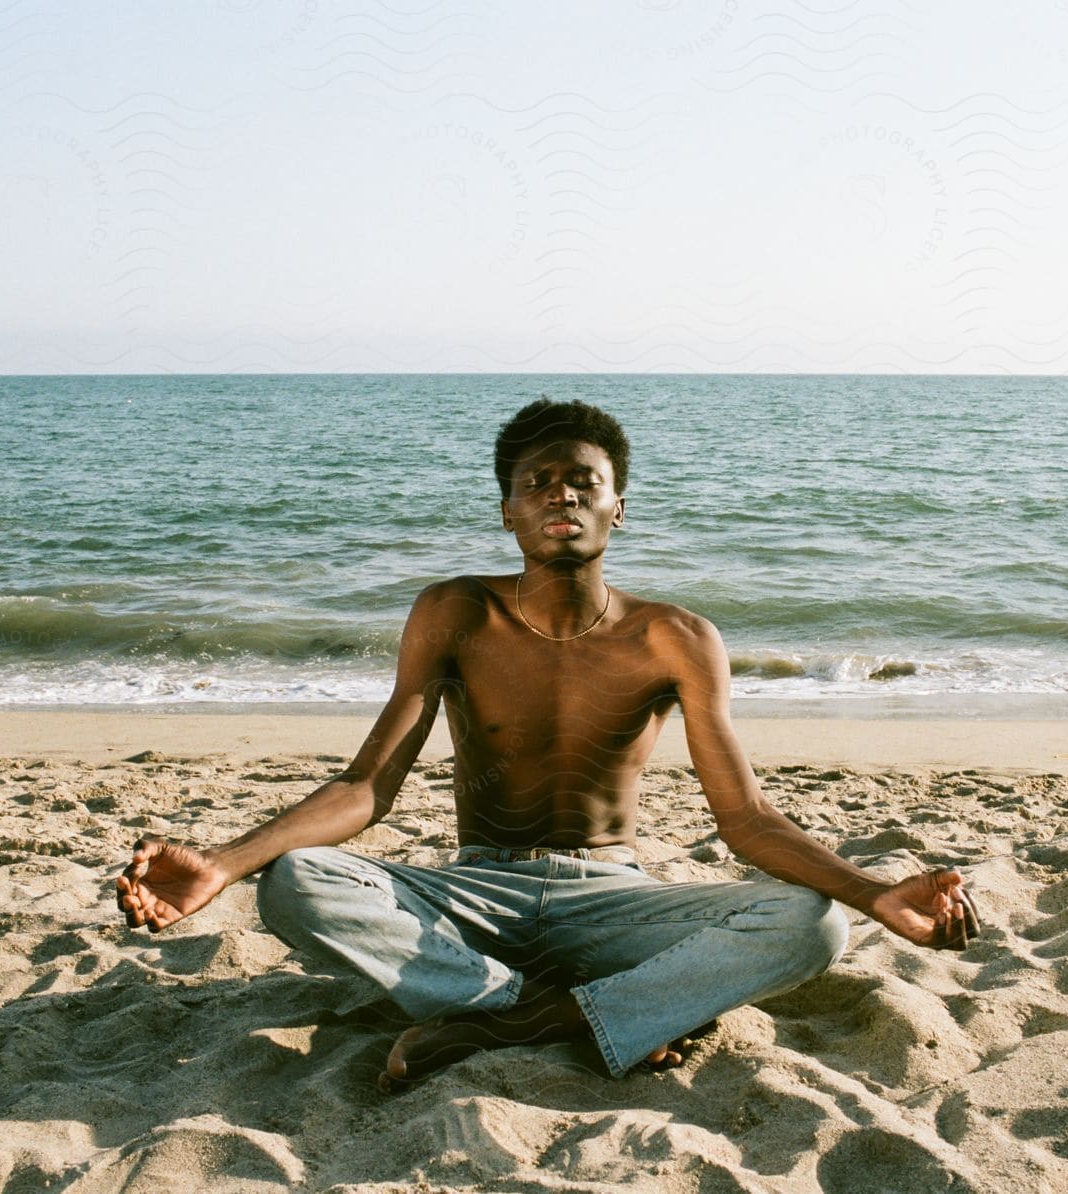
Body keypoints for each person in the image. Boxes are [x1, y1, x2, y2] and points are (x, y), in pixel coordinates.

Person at [116, 398, 978, 1089]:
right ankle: (578, 1010)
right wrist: (226, 864)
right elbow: (366, 788)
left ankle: (539, 1019)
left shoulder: (674, 636)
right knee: (298, 882)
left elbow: (745, 820)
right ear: (509, 512)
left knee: (813, 923)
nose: (562, 495)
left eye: (583, 482)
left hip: (613, 896)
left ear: (618, 509)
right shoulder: (455, 611)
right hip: (473, 893)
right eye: (539, 483)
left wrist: (874, 894)